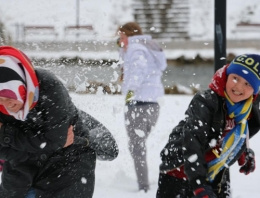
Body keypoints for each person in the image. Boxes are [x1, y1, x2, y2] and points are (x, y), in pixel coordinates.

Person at [0, 46, 119, 198]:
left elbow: (56, 141)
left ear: (22, 87)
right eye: (0, 99)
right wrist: (46, 145)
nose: (6, 104)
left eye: (9, 96)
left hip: (66, 171)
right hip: (19, 180)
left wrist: (6, 133)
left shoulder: (49, 88)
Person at [156, 54, 260, 198]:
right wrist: (199, 185)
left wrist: (243, 152)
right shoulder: (206, 101)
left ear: (255, 90)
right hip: (181, 173)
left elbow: (234, 136)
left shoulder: (248, 111)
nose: (238, 86)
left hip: (215, 173)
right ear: (227, 76)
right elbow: (192, 141)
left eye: (248, 84)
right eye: (235, 78)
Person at [117, 22, 167, 192]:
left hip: (139, 104)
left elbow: (138, 68)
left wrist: (131, 90)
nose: (120, 41)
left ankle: (144, 188)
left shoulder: (135, 48)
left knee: (137, 148)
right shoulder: (146, 46)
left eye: (122, 37)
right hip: (152, 105)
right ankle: (147, 182)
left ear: (129, 35)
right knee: (138, 146)